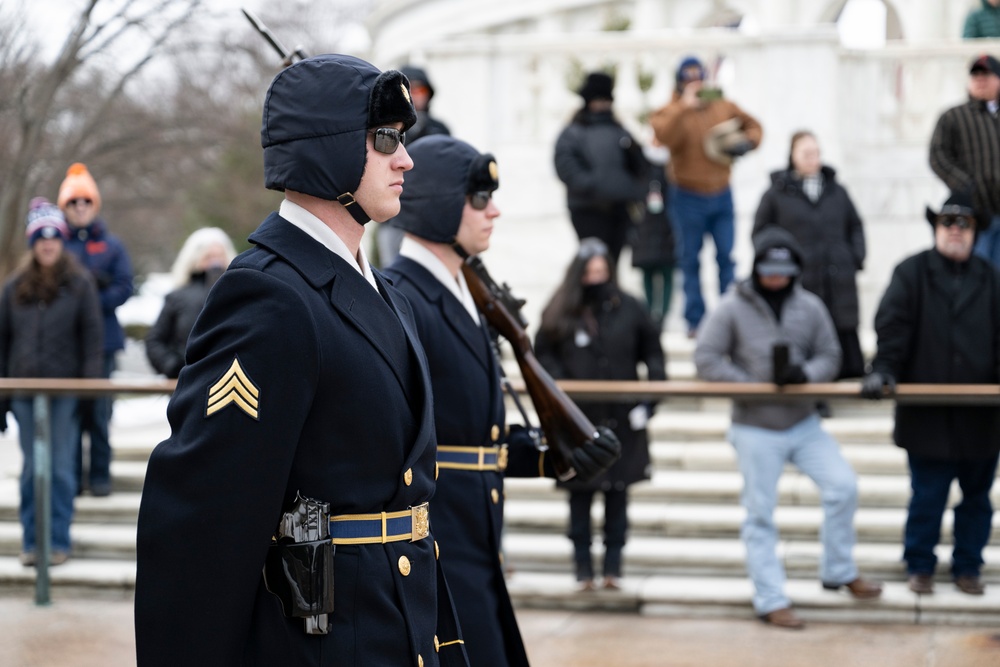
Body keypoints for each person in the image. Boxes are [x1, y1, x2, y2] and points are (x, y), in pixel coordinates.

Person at [135, 54, 471, 666]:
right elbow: (203, 525)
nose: (406, 158)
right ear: (332, 148)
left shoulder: (383, 291)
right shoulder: (268, 297)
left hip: (397, 626)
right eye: (386, 138)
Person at [385, 135, 620, 665]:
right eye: (478, 198)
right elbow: (411, 443)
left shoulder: (461, 292)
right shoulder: (403, 297)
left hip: (475, 537)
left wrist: (548, 454)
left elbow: (468, 436)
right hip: (438, 541)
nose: (494, 210)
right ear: (443, 205)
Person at [694, 227, 882, 630]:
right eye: (769, 268)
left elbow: (831, 355)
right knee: (760, 514)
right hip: (755, 427)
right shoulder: (731, 307)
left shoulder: (810, 306)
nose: (776, 277)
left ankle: (838, 569)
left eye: (783, 269)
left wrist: (805, 375)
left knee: (842, 486)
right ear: (757, 267)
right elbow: (706, 357)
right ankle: (771, 598)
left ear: (795, 269)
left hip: (803, 421)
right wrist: (751, 386)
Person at [861, 192, 1000, 597]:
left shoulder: (992, 277)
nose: (955, 231)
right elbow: (893, 329)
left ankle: (968, 566)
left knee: (977, 499)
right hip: (927, 417)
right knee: (927, 496)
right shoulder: (911, 272)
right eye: (947, 223)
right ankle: (919, 563)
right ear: (936, 228)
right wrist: (883, 370)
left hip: (981, 418)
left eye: (964, 225)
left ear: (974, 232)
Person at [534, 237, 666, 591]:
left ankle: (613, 569)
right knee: (580, 494)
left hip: (622, 418)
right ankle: (582, 570)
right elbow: (541, 357)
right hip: (577, 421)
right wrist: (559, 398)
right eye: (590, 272)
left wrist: (650, 399)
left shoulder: (630, 307)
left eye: (602, 271)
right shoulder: (560, 311)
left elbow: (653, 352)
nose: (596, 278)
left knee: (618, 494)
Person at [0, 198, 102, 567]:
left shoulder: (79, 285)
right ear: (32, 242)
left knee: (59, 469)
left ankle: (58, 541)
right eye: (41, 239)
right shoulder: (14, 288)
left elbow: (93, 341)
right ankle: (32, 542)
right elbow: (3, 342)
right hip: (25, 394)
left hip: (64, 394)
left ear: (61, 241)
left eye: (54, 239)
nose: (48, 245)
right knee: (32, 470)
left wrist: (90, 392)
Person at [650, 55, 763, 337]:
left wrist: (747, 143)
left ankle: (730, 318)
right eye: (689, 80)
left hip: (721, 193)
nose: (695, 84)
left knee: (726, 258)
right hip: (687, 195)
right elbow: (664, 137)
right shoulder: (668, 110)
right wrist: (683, 107)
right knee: (690, 260)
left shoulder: (722, 104)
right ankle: (695, 322)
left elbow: (755, 126)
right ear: (680, 83)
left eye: (699, 78)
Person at [753, 130, 867, 379]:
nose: (812, 159)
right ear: (793, 155)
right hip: (802, 280)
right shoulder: (776, 194)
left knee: (842, 329)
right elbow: (760, 234)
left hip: (839, 278)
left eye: (815, 153)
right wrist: (781, 266)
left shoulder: (837, 191)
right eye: (806, 153)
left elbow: (855, 225)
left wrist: (855, 257)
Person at [57, 162, 133, 497]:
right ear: (65, 208)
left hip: (103, 341)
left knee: (100, 413)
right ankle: (72, 477)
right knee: (71, 413)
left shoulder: (112, 246)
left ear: (94, 205)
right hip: (67, 343)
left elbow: (124, 287)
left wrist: (93, 300)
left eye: (85, 201)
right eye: (73, 203)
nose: (80, 208)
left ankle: (100, 476)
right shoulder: (56, 245)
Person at [553, 71, 648, 267]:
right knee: (592, 265)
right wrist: (592, 185)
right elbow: (566, 166)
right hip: (587, 210)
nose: (603, 105)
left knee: (612, 265)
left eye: (606, 100)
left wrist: (631, 189)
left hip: (620, 211)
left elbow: (639, 165)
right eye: (599, 100)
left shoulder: (620, 130)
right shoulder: (573, 133)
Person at [376, 64, 451, 267]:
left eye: (421, 90)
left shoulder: (439, 129)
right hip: (394, 216)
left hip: (427, 219)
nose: (416, 96)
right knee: (393, 273)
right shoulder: (385, 127)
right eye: (410, 91)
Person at [929, 54, 1000, 266]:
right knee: (977, 276)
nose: (980, 79)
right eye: (975, 75)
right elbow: (938, 157)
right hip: (974, 218)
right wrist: (968, 188)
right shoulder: (953, 117)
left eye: (986, 75)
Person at [144, 227, 237, 378]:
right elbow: (155, 341)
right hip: (188, 380)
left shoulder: (238, 293)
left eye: (220, 256)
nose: (216, 262)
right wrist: (173, 366)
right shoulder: (178, 297)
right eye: (209, 257)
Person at [630, 144, 677, 330]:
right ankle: (651, 316)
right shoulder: (641, 170)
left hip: (666, 230)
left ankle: (661, 317)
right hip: (646, 231)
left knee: (666, 274)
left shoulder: (672, 171)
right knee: (648, 274)